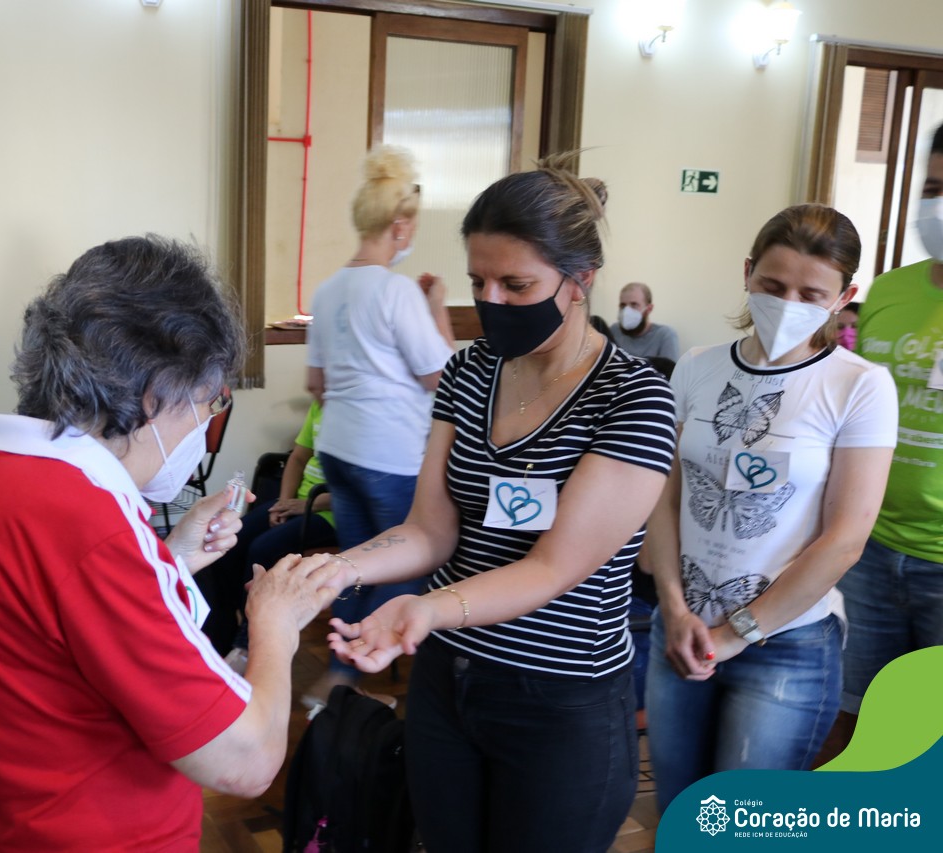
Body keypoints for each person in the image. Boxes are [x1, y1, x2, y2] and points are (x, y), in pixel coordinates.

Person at [0, 236, 340, 852]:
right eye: (208, 401)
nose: (205, 423)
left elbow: (48, 636)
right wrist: (275, 623)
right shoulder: (86, 528)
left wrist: (168, 559)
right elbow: (247, 762)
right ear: (155, 393)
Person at [323, 154, 679, 852]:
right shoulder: (469, 370)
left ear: (581, 280)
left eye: (517, 285)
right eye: (478, 282)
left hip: (558, 700)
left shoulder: (633, 399)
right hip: (448, 680)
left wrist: (426, 608)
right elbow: (430, 530)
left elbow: (552, 568)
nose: (492, 302)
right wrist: (337, 570)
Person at [642, 204, 898, 813]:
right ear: (748, 272)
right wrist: (673, 608)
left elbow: (845, 539)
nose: (788, 304)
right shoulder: (697, 367)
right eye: (773, 285)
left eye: (811, 295)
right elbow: (663, 497)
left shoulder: (860, 386)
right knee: (678, 810)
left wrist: (737, 634)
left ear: (844, 298)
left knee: (742, 822)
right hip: (680, 628)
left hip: (784, 644)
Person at [304, 144, 456, 705]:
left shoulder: (326, 291)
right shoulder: (395, 291)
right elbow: (442, 376)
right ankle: (346, 678)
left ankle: (336, 680)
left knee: (357, 564)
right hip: (389, 453)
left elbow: (316, 384)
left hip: (338, 449)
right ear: (399, 226)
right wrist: (436, 307)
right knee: (414, 562)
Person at [836, 123, 943, 738]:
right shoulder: (890, 290)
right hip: (868, 548)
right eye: (932, 188)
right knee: (863, 718)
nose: (939, 206)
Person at [200, 400, 339, 670]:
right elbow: (297, 458)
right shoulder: (319, 406)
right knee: (226, 543)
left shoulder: (362, 414)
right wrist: (283, 503)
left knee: (262, 550)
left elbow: (354, 491)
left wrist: (304, 505)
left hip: (329, 514)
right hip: (298, 504)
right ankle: (220, 640)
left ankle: (250, 642)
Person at [611, 281, 680, 361]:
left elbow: (669, 368)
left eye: (634, 305)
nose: (626, 311)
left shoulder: (665, 335)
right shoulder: (614, 331)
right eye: (623, 305)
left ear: (649, 309)